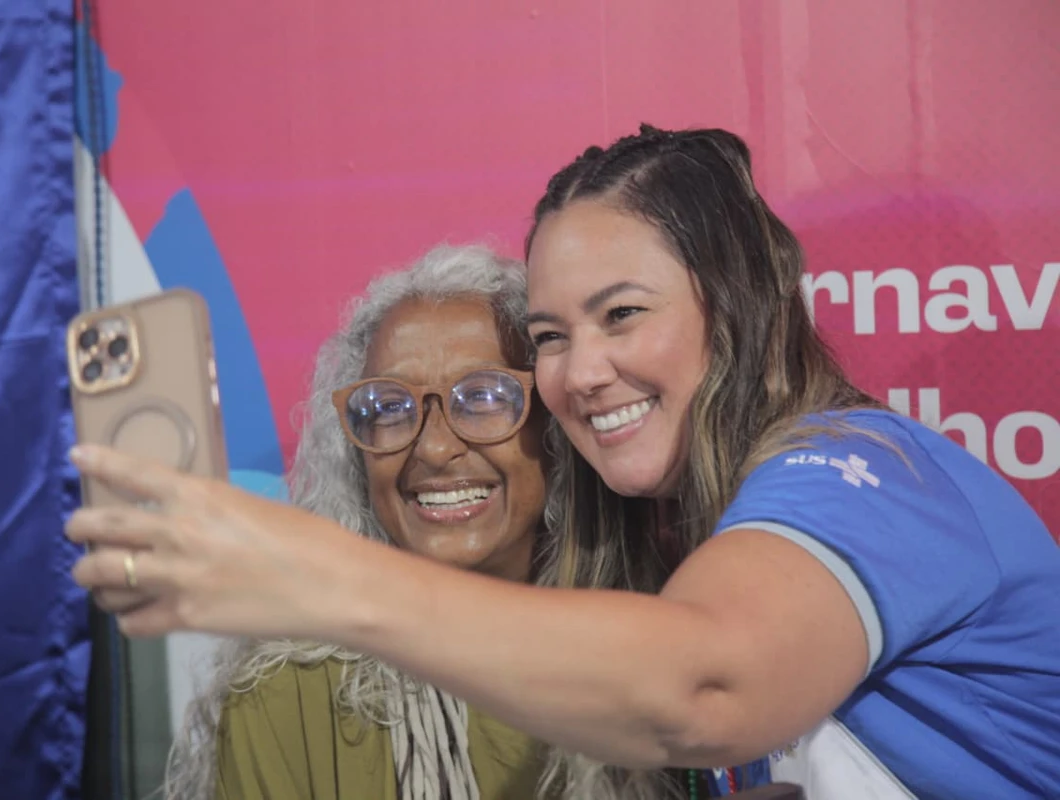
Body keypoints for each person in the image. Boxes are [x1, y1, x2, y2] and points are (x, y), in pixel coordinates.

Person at [67, 127, 1060, 800]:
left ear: (740, 303)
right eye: (549, 333)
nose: (583, 372)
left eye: (623, 312)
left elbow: (702, 689)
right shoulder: (702, 545)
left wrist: (313, 574)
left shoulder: (864, 469)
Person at [155, 245, 553, 799]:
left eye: (483, 396)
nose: (435, 448)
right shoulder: (289, 695)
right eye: (388, 408)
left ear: (557, 425)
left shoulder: (658, 656)